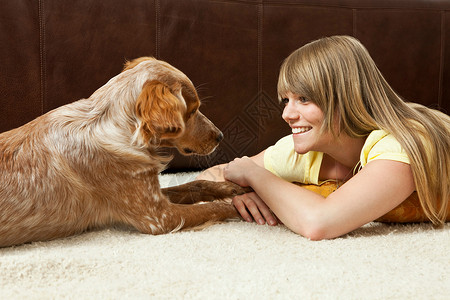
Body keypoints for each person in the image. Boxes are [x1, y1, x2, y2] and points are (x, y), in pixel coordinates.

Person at [197, 35, 450, 240]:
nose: (287, 114)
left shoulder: (404, 143)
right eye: (286, 100)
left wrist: (256, 176)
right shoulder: (308, 153)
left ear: (346, 98)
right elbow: (210, 178)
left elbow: (319, 223)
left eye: (304, 99)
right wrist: (236, 194)